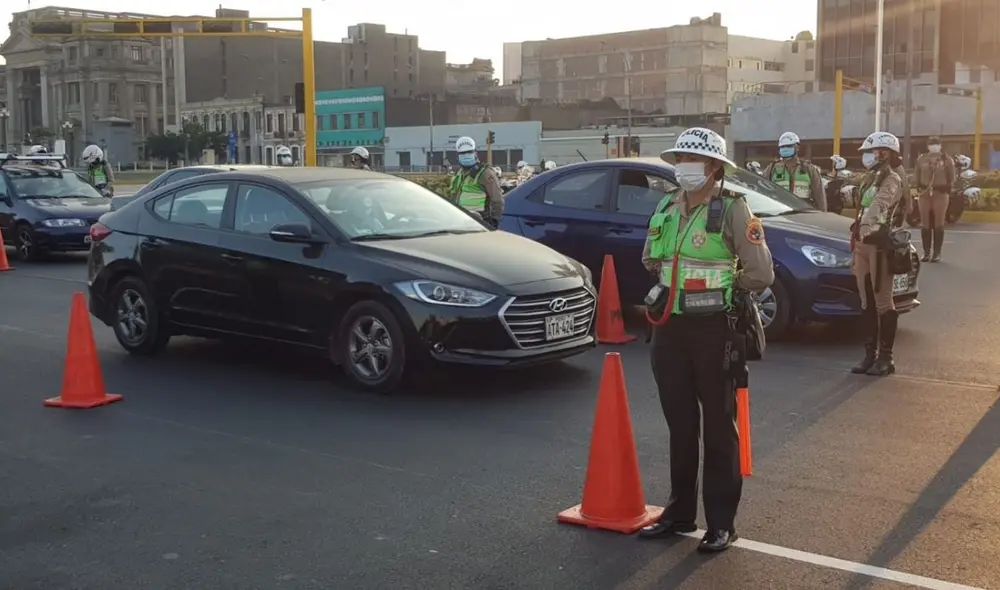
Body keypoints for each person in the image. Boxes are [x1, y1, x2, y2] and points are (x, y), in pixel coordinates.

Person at [638, 127, 774, 552]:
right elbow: (650, 258)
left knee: (718, 428)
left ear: (714, 167)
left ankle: (721, 523)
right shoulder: (666, 205)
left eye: (690, 160)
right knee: (680, 425)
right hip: (669, 329)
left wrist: (724, 289)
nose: (683, 167)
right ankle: (679, 513)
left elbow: (760, 273)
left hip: (715, 330)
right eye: (678, 159)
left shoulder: (733, 209)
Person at [850, 131, 906, 377]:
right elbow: (862, 208)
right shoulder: (869, 178)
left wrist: (866, 224)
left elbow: (880, 205)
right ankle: (869, 355)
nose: (870, 156)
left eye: (875, 152)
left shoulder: (892, 179)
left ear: (886, 153)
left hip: (880, 246)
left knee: (883, 302)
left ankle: (886, 358)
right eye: (870, 152)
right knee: (866, 302)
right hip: (862, 246)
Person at [446, 136, 503, 227]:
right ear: (457, 155)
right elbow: (453, 196)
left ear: (475, 153)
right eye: (463, 153)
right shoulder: (458, 174)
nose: (466, 155)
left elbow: (497, 200)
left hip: (479, 222)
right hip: (460, 222)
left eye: (469, 152)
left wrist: (493, 221)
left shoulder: (485, 173)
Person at [762, 131, 826, 211]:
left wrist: (822, 215)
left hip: (804, 214)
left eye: (788, 146)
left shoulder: (809, 169)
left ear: (797, 148)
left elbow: (819, 196)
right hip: (779, 214)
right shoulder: (771, 169)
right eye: (782, 147)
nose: (785, 149)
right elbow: (762, 192)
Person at [913, 136, 954, 262]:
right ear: (927, 146)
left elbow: (951, 177)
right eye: (931, 144)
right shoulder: (921, 159)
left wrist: (947, 188)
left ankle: (936, 253)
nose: (934, 146)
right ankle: (926, 252)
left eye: (936, 144)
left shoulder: (946, 159)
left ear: (941, 145)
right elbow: (916, 176)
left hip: (940, 193)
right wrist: (916, 187)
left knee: (938, 223)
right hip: (925, 193)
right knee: (925, 223)